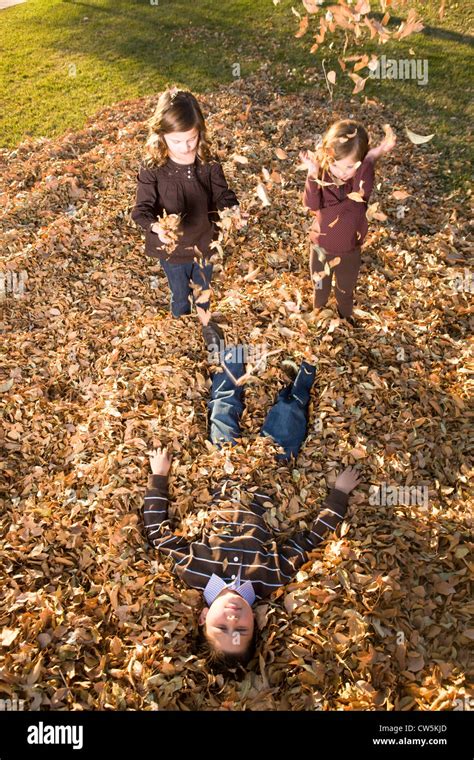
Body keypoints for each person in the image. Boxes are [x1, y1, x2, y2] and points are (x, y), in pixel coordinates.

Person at [142, 326, 361, 670]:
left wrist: (159, 476)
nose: (232, 618)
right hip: (268, 479)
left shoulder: (194, 571)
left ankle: (230, 357)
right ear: (256, 622)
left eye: (221, 626)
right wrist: (339, 495)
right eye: (241, 629)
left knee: (223, 409)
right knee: (288, 422)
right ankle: (300, 379)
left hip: (222, 473)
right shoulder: (270, 578)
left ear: (202, 617)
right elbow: (310, 540)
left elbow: (158, 532)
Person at [131, 86, 246, 318]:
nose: (185, 147)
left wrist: (233, 211)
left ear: (200, 132)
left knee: (203, 292)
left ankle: (205, 325)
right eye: (176, 141)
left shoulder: (207, 161)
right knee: (180, 295)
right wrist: (157, 228)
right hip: (172, 251)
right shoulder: (154, 167)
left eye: (191, 139)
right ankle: (180, 327)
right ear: (161, 136)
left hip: (205, 243)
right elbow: (141, 210)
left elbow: (222, 194)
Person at [300, 119, 396, 323]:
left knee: (345, 291)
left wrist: (373, 154)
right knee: (320, 287)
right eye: (336, 165)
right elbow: (310, 204)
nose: (342, 172)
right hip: (320, 249)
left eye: (350, 166)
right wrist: (312, 172)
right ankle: (319, 313)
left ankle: (345, 318)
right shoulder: (323, 175)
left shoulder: (360, 187)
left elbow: (366, 167)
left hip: (349, 252)